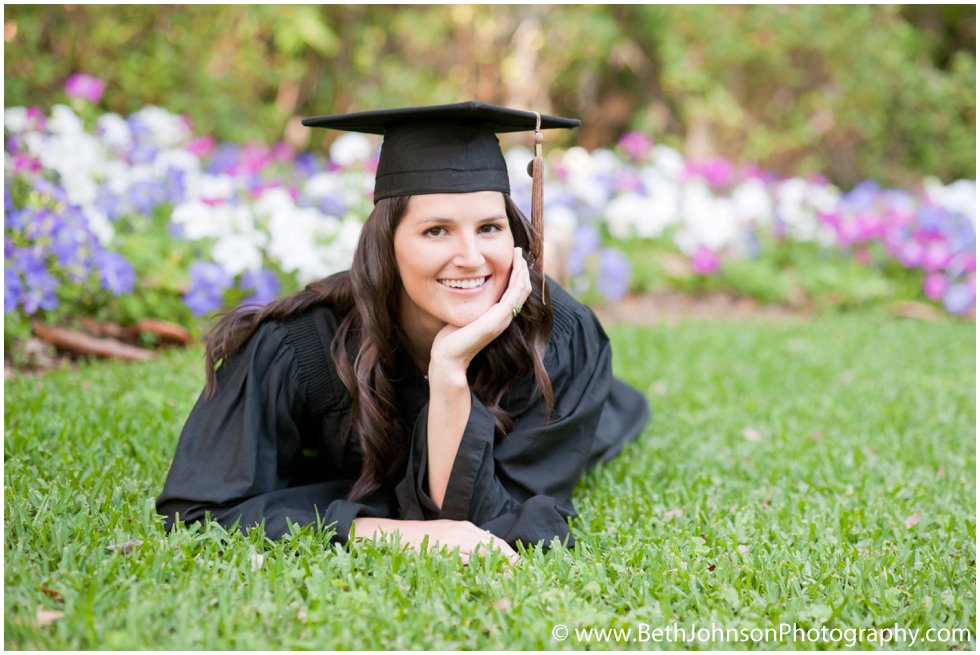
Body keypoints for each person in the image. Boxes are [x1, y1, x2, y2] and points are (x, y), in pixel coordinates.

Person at [157, 102, 649, 564]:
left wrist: (450, 368)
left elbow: (486, 524)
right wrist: (392, 532)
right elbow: (199, 513)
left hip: (582, 414)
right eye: (436, 230)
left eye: (489, 228)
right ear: (386, 244)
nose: (472, 258)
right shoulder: (301, 345)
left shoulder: (559, 340)